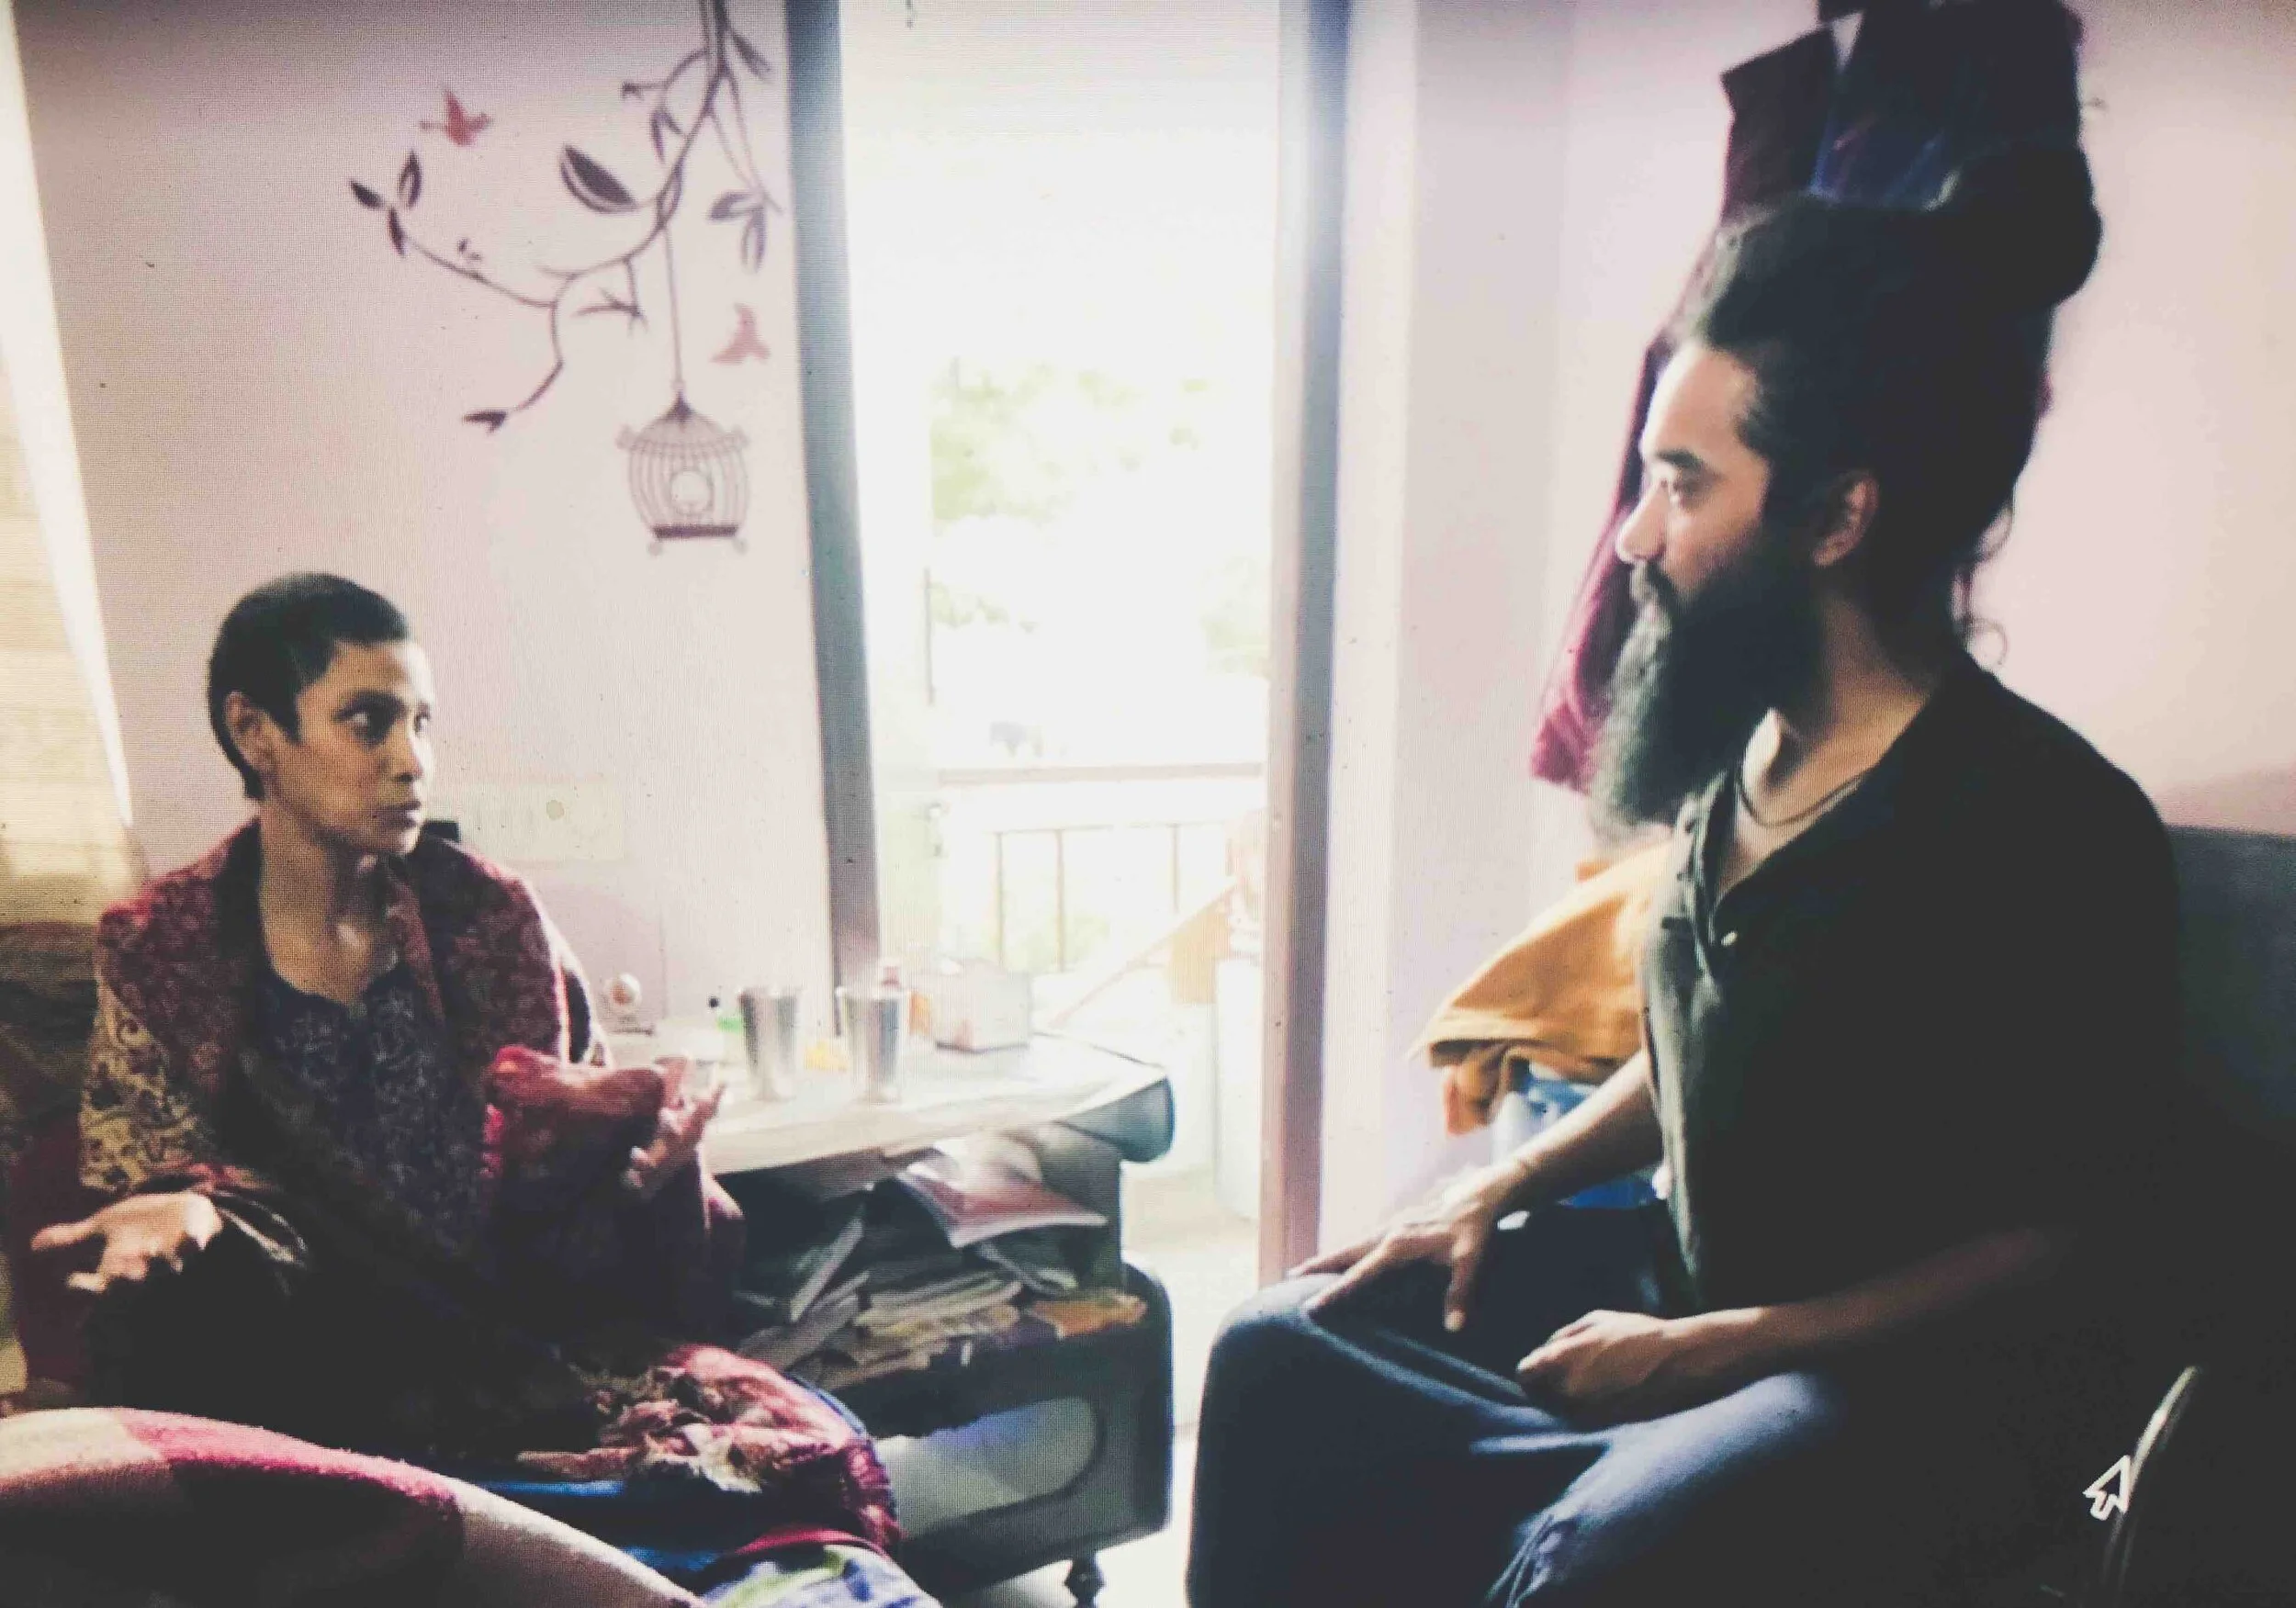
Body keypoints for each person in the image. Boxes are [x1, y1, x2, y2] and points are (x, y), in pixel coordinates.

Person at [1188, 147, 2179, 1607]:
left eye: (1680, 484)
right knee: (1281, 1349)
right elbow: (1693, 1052)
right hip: (1685, 1301)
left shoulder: (2045, 825)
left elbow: (2059, 1237)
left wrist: (1733, 1343)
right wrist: (1495, 1185)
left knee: (1595, 1553)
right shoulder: (1745, 758)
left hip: (1891, 1386)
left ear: (1836, 518)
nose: (1636, 535)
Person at [30, 574, 898, 1579]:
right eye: (368, 722)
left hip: (519, 1345)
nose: (413, 761)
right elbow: (159, 1203)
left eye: (422, 723)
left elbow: (574, 1190)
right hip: (299, 1375)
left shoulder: (491, 920)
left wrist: (633, 1166)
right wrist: (189, 1208)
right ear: (255, 731)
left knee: (798, 1461)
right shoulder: (163, 948)